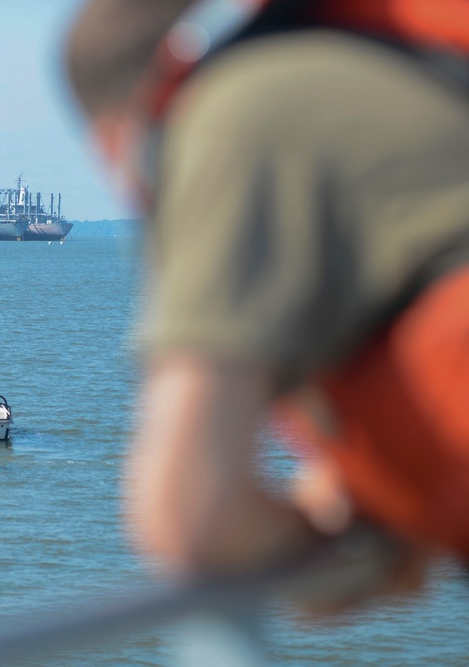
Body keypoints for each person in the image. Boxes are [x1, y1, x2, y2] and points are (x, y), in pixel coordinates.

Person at [64, 0, 469, 610]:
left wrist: (325, 551)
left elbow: (188, 516)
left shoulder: (234, 111)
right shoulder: (399, 76)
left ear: (116, 138)